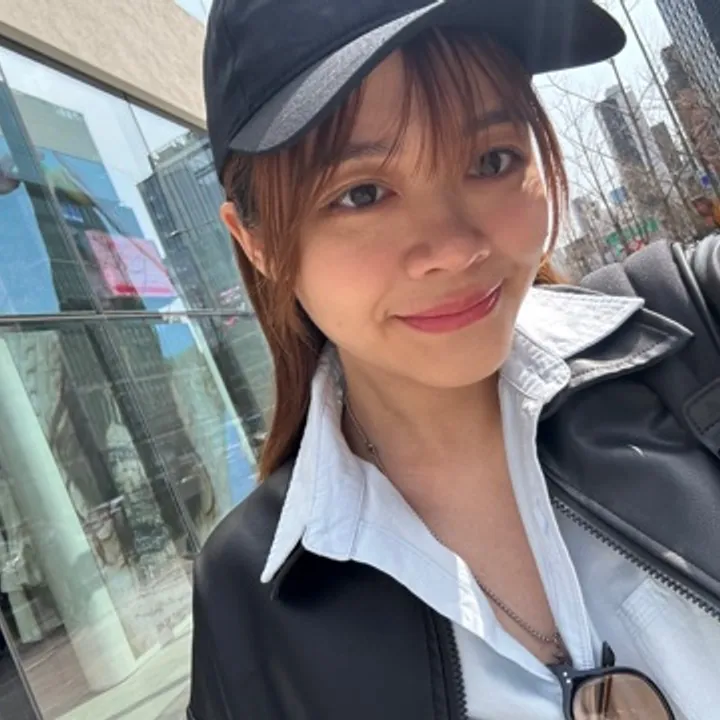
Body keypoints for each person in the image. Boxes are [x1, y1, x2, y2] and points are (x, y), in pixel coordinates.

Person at [189, 1, 720, 718]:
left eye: (492, 161)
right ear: (256, 242)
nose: (456, 247)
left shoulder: (691, 326)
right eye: (362, 194)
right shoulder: (248, 605)